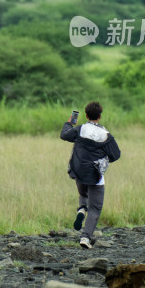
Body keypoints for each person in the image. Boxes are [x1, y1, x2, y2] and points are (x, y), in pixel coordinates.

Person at [60, 101, 121, 249]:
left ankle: (81, 208)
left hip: (78, 170)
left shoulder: (80, 129)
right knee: (95, 208)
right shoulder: (106, 135)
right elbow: (116, 155)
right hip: (95, 175)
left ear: (86, 115)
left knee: (83, 193)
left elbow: (64, 135)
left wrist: (69, 123)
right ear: (99, 116)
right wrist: (104, 159)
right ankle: (85, 237)